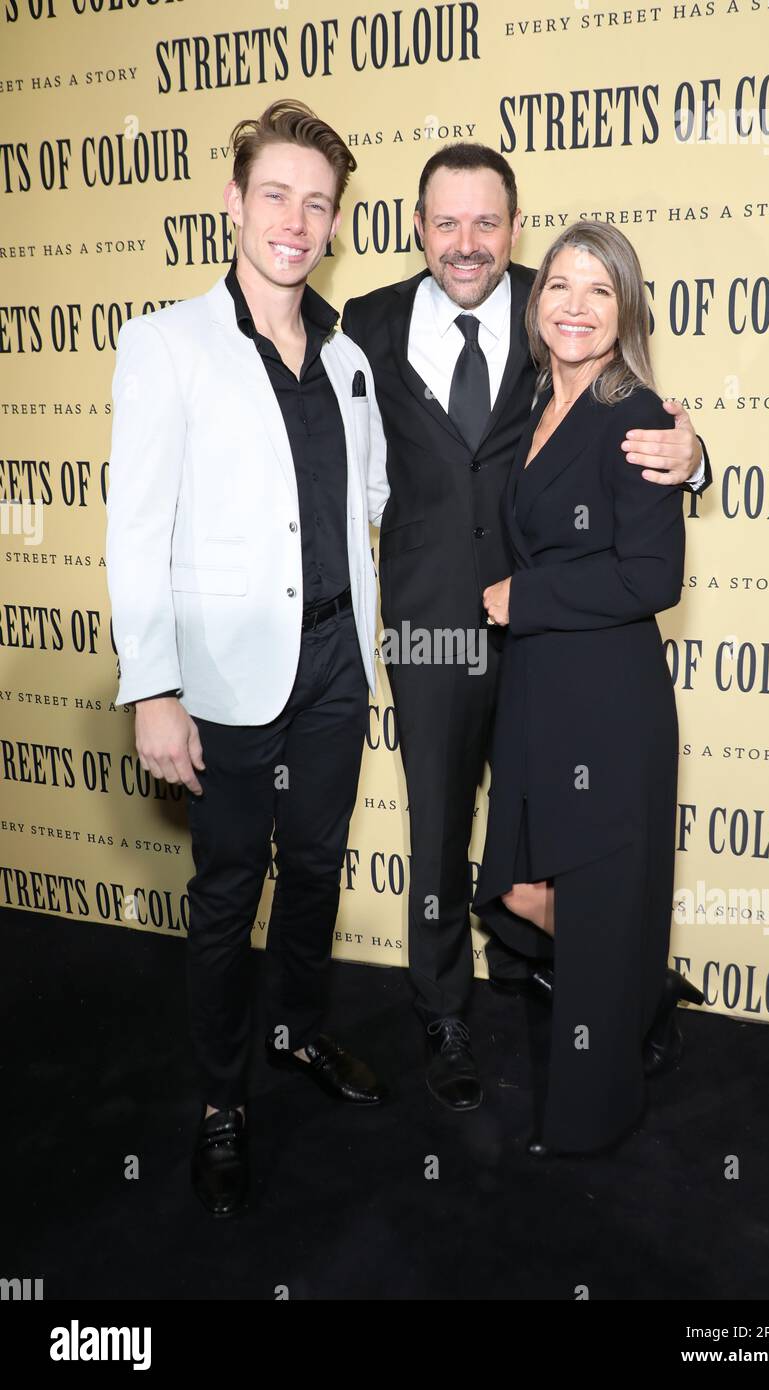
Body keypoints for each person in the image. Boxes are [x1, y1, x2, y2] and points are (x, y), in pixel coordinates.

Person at [341, 145, 710, 1112]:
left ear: (515, 230)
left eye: (488, 223)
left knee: (561, 821)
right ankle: (445, 1007)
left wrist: (697, 454)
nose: (467, 244)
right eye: (446, 222)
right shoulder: (365, 324)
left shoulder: (551, 312)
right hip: (433, 623)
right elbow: (338, 474)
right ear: (417, 225)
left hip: (551, 630)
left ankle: (587, 981)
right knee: (440, 822)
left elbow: (627, 423)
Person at [105, 100, 390, 1218]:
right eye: (275, 193)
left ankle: (298, 1035)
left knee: (314, 870)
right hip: (221, 676)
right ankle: (222, 1102)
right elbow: (137, 527)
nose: (295, 219)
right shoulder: (165, 342)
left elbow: (363, 503)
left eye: (317, 203)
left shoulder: (351, 359)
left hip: (330, 664)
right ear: (233, 201)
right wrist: (153, 688)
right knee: (230, 890)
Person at [474, 220, 705, 1157]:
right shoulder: (536, 399)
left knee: (598, 900)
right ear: (536, 304)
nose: (575, 306)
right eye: (560, 287)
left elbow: (653, 578)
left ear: (627, 309)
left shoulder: (635, 411)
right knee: (525, 888)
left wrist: (525, 595)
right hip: (538, 685)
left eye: (599, 291)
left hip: (607, 698)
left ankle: (591, 1116)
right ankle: (638, 995)